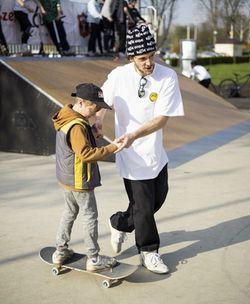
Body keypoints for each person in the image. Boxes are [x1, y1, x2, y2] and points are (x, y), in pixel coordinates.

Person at [95, 24, 184, 274]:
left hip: (155, 152)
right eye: (142, 58)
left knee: (157, 200)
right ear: (131, 57)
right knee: (144, 207)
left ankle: (120, 223)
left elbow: (162, 118)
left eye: (151, 56)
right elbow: (102, 101)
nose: (148, 62)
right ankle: (149, 251)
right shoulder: (119, 76)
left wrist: (135, 133)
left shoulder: (167, 76)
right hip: (129, 153)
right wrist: (100, 120)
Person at [51, 83, 120, 271]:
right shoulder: (78, 126)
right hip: (79, 180)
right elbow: (86, 154)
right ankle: (94, 258)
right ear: (80, 102)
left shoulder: (67, 117)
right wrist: (113, 147)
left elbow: (73, 147)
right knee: (90, 216)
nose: (97, 110)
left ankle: (60, 251)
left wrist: (92, 134)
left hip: (66, 178)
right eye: (94, 107)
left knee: (69, 212)